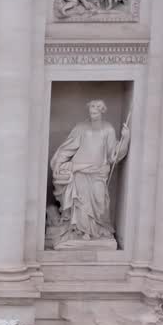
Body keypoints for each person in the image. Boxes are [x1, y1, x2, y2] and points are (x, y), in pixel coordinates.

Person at [49, 99, 130, 241]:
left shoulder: (108, 130)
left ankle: (97, 230)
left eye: (96, 111)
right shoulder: (81, 128)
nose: (93, 113)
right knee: (81, 203)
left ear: (101, 112)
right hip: (80, 170)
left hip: (98, 172)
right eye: (91, 110)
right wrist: (58, 162)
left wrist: (125, 139)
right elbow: (68, 147)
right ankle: (82, 231)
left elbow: (113, 155)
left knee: (100, 201)